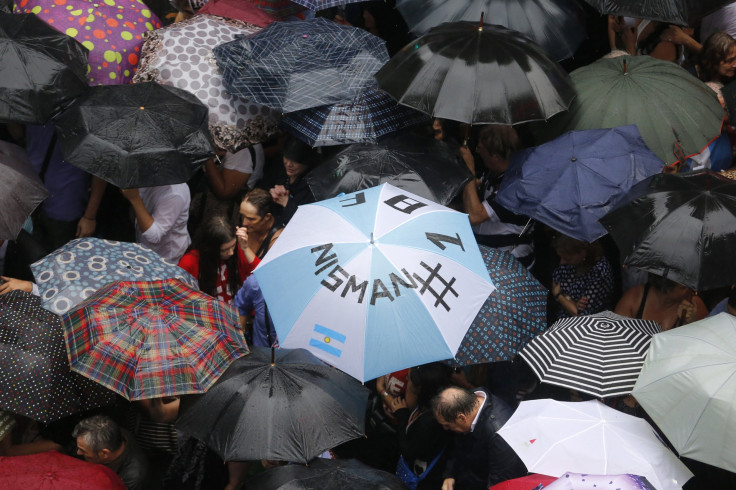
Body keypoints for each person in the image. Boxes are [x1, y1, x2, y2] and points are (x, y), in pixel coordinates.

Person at [461, 125, 534, 268]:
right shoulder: (495, 173)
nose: (476, 151)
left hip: (510, 266)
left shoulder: (517, 186)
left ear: (495, 157)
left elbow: (475, 216)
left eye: (481, 148)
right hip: (487, 255)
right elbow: (476, 193)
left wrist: (468, 171)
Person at [431, 386, 527, 490]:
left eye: (447, 425)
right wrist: (450, 474)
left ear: (461, 418)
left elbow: (499, 483)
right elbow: (458, 444)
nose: (445, 428)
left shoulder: (499, 436)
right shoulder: (467, 402)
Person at [389, 363, 453, 490]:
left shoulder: (430, 423)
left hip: (424, 479)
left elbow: (408, 451)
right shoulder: (428, 406)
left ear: (421, 388)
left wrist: (402, 417)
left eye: (410, 379)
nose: (407, 380)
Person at [178, 215, 254, 304]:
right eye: (224, 250)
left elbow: (261, 279)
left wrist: (245, 248)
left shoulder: (238, 251)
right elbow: (181, 298)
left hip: (238, 312)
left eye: (233, 246)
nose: (231, 253)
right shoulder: (189, 263)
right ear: (210, 248)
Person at [73, 415, 151, 490]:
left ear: (104, 453)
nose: (78, 453)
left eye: (83, 451)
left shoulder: (132, 477)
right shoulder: (110, 434)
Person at [550, 235, 615, 320]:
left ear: (582, 252)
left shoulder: (599, 271)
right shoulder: (567, 266)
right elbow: (556, 281)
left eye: (567, 258)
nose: (562, 262)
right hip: (562, 320)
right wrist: (571, 302)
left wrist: (559, 296)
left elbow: (580, 314)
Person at [121, 184, 191, 263]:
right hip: (145, 249)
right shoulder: (148, 178)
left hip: (166, 259)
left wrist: (134, 198)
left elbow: (154, 236)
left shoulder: (175, 194)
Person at [615, 273, 708, 329]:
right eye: (683, 287)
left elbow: (705, 337)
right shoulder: (634, 298)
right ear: (666, 288)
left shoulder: (694, 305)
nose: (690, 290)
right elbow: (617, 332)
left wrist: (690, 323)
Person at [269, 137, 319, 228]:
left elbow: (304, 224)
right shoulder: (279, 172)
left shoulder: (313, 188)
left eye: (296, 161)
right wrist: (272, 194)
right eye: (287, 157)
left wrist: (286, 202)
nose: (289, 164)